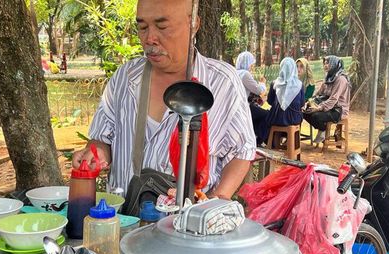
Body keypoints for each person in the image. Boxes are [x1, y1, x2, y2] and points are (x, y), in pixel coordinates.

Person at [72, 0, 256, 200]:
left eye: (162, 27)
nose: (150, 38)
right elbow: (101, 138)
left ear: (193, 24)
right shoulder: (125, 77)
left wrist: (216, 199)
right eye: (142, 27)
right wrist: (96, 154)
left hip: (185, 225)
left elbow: (241, 151)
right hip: (124, 222)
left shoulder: (222, 82)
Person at [255, 57, 304, 146]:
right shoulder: (300, 85)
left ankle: (269, 142)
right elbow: (302, 104)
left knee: (266, 119)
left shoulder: (275, 83)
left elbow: (269, 102)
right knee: (300, 116)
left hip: (276, 118)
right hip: (294, 119)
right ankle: (292, 145)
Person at [303, 55, 351, 144]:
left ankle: (323, 130)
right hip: (327, 107)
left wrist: (319, 108)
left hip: (338, 110)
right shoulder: (328, 78)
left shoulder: (340, 79)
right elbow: (319, 93)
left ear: (334, 64)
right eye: (324, 63)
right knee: (305, 112)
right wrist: (309, 102)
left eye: (328, 63)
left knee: (315, 116)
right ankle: (322, 128)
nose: (325, 65)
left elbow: (334, 99)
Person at [236, 51, 269, 133]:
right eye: (251, 64)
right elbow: (259, 90)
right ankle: (260, 139)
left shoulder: (236, 72)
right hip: (244, 107)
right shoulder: (245, 74)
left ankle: (256, 137)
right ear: (247, 63)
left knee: (258, 112)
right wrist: (262, 83)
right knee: (267, 115)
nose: (252, 67)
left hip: (237, 106)